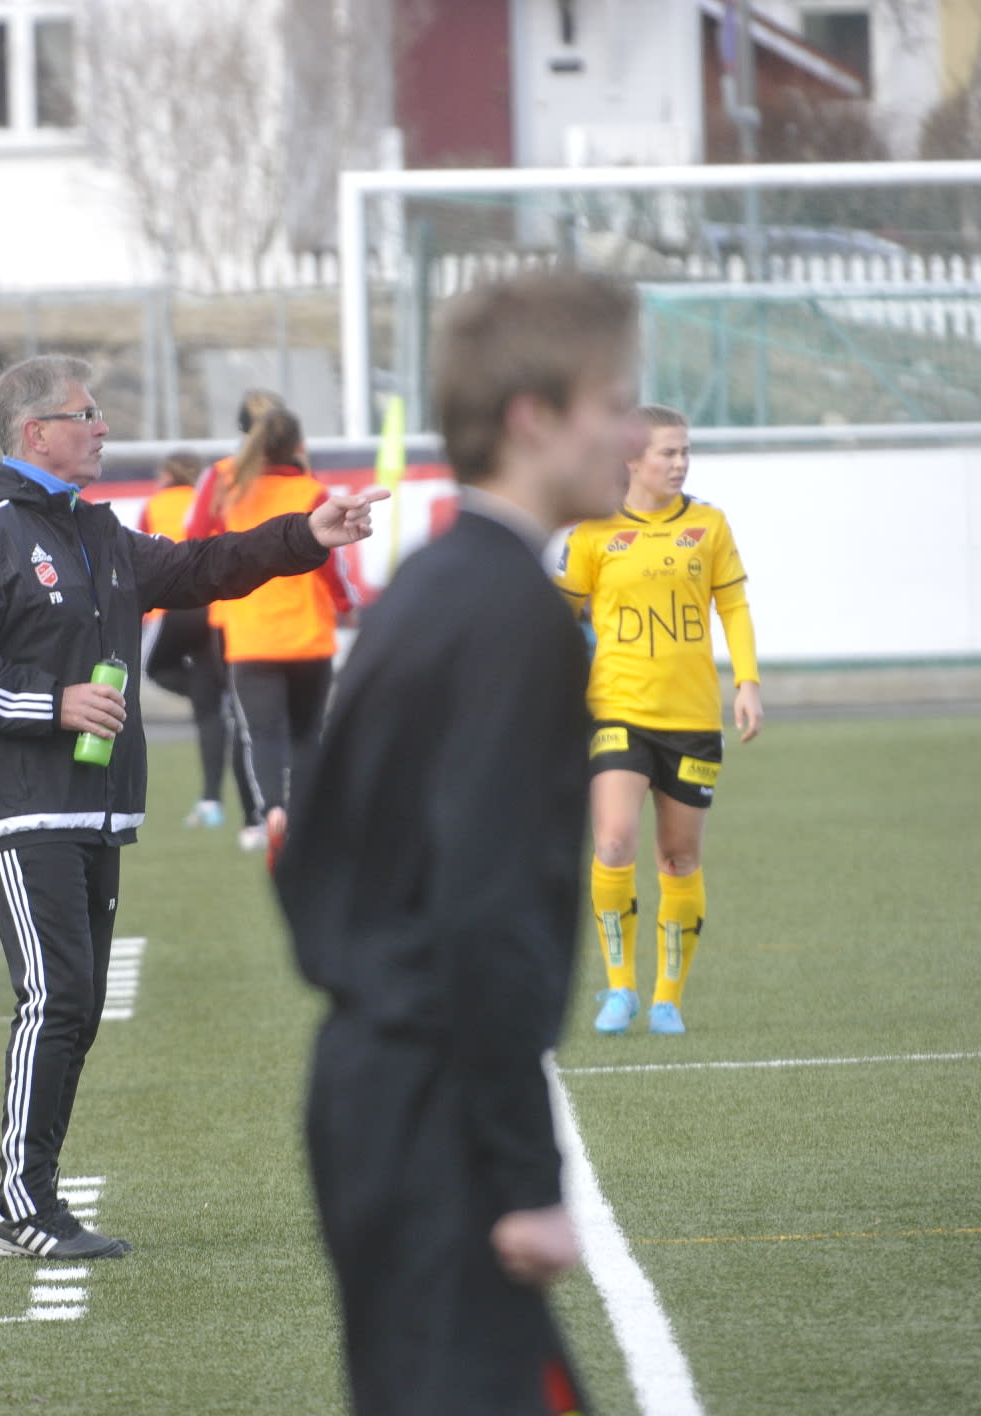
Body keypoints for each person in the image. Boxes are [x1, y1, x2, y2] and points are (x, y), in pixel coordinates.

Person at [0, 354, 384, 1262]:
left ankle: (30, 1199)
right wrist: (52, 703)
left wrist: (307, 536)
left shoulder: (96, 530)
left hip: (96, 807)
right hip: (23, 807)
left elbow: (205, 565)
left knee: (76, 1005)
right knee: (55, 996)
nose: (103, 428)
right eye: (86, 414)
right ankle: (20, 1207)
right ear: (36, 432)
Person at [277, 270, 644, 1415]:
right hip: (433, 1115)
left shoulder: (430, 585)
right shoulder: (510, 615)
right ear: (533, 417)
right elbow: (484, 906)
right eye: (613, 403)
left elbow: (303, 849)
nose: (634, 435)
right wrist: (524, 1176)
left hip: (376, 1091)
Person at [559, 404, 762, 1037]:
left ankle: (666, 999)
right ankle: (620, 987)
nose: (679, 463)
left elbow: (734, 607)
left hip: (693, 718)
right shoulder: (593, 531)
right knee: (614, 841)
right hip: (616, 709)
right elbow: (558, 616)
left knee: (677, 859)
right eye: (667, 453)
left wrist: (748, 683)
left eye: (684, 452)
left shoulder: (709, 525)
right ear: (631, 458)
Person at [198, 404, 353, 863]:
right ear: (299, 445)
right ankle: (306, 821)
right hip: (307, 632)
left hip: (250, 633)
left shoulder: (229, 485)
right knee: (307, 735)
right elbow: (329, 562)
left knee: (261, 735)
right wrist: (345, 604)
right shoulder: (311, 490)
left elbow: (196, 536)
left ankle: (272, 812)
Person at [137, 450, 250, 830]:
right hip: (214, 604)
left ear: (167, 474)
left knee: (153, 668)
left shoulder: (155, 504)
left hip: (176, 604)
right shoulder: (211, 498)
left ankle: (212, 802)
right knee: (211, 706)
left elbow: (142, 556)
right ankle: (211, 803)